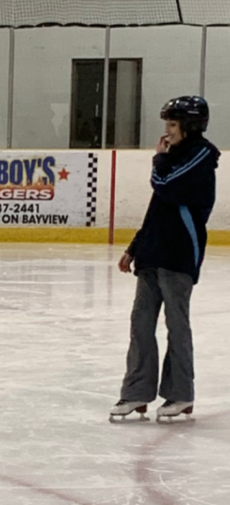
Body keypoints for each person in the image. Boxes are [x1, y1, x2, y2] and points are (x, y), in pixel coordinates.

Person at [110, 96, 219, 421]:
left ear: (190, 126)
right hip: (153, 251)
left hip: (179, 253)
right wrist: (135, 245)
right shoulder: (174, 156)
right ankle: (136, 393)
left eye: (172, 125)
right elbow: (158, 206)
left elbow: (165, 185)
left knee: (177, 325)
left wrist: (158, 161)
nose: (167, 132)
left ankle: (180, 394)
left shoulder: (200, 155)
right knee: (141, 323)